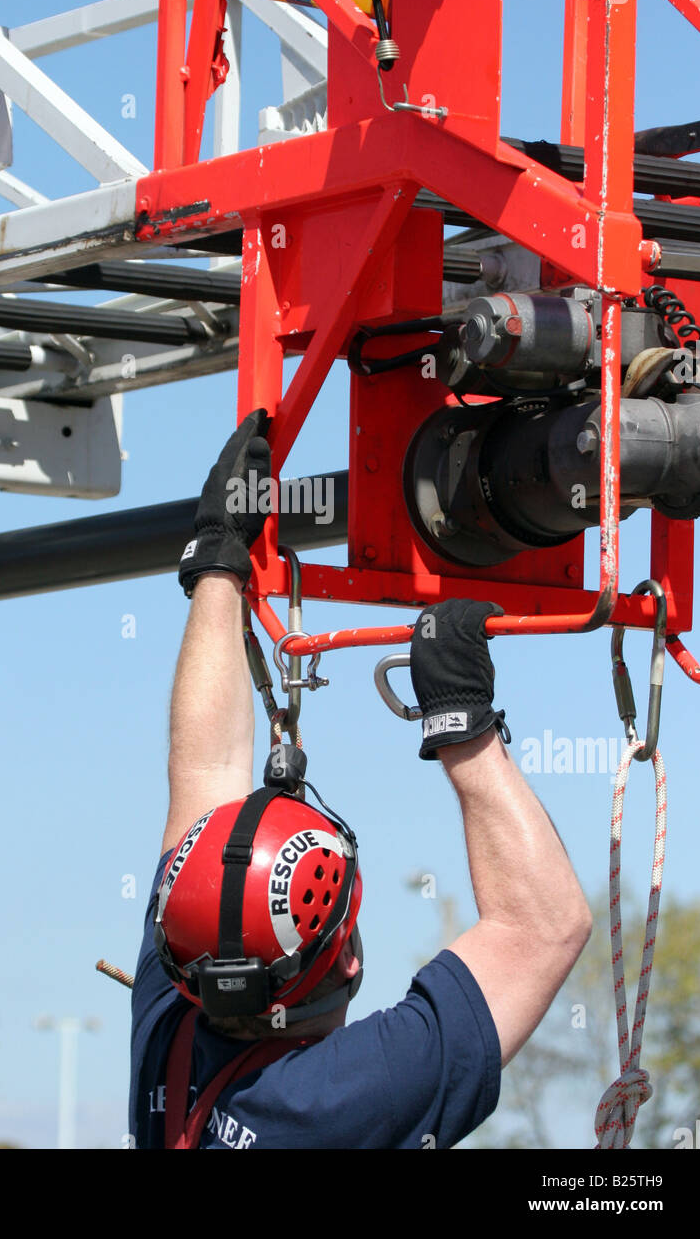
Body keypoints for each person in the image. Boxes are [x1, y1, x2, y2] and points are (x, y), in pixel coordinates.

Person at [128, 410, 592, 1150]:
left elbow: (207, 775)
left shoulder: (177, 1031)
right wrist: (460, 725)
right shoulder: (329, 1099)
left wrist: (461, 725)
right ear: (347, 956)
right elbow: (542, 928)